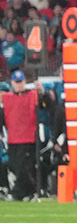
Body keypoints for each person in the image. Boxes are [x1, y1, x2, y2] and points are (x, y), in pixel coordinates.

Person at [0, 70, 52, 200]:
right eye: (16, 82)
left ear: (24, 82)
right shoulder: (7, 98)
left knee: (24, 167)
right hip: (13, 139)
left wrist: (42, 92)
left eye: (20, 82)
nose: (18, 85)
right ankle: (30, 191)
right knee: (14, 166)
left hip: (28, 138)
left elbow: (48, 104)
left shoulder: (32, 95)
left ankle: (19, 192)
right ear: (12, 83)